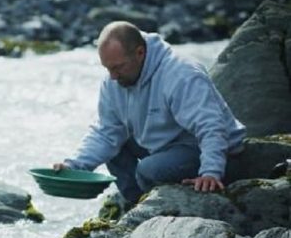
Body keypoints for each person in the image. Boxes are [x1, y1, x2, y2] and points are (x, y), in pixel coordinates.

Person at [53, 21, 246, 206]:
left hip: (208, 149)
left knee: (148, 169)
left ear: (140, 52)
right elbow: (106, 132)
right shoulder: (114, 81)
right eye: (107, 68)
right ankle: (137, 205)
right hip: (165, 145)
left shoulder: (181, 73)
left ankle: (159, 206)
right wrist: (74, 167)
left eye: (118, 67)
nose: (112, 76)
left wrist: (211, 172)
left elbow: (211, 126)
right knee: (115, 148)